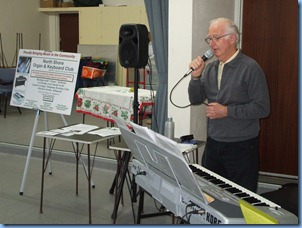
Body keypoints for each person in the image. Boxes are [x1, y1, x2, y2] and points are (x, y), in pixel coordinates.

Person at [188, 17, 270, 192]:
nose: (212, 43)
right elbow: (195, 99)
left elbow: (263, 108)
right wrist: (195, 76)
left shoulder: (250, 68)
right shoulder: (210, 68)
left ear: (232, 38)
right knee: (211, 194)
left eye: (216, 38)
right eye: (209, 39)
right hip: (213, 144)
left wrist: (227, 111)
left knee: (241, 200)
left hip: (241, 147)